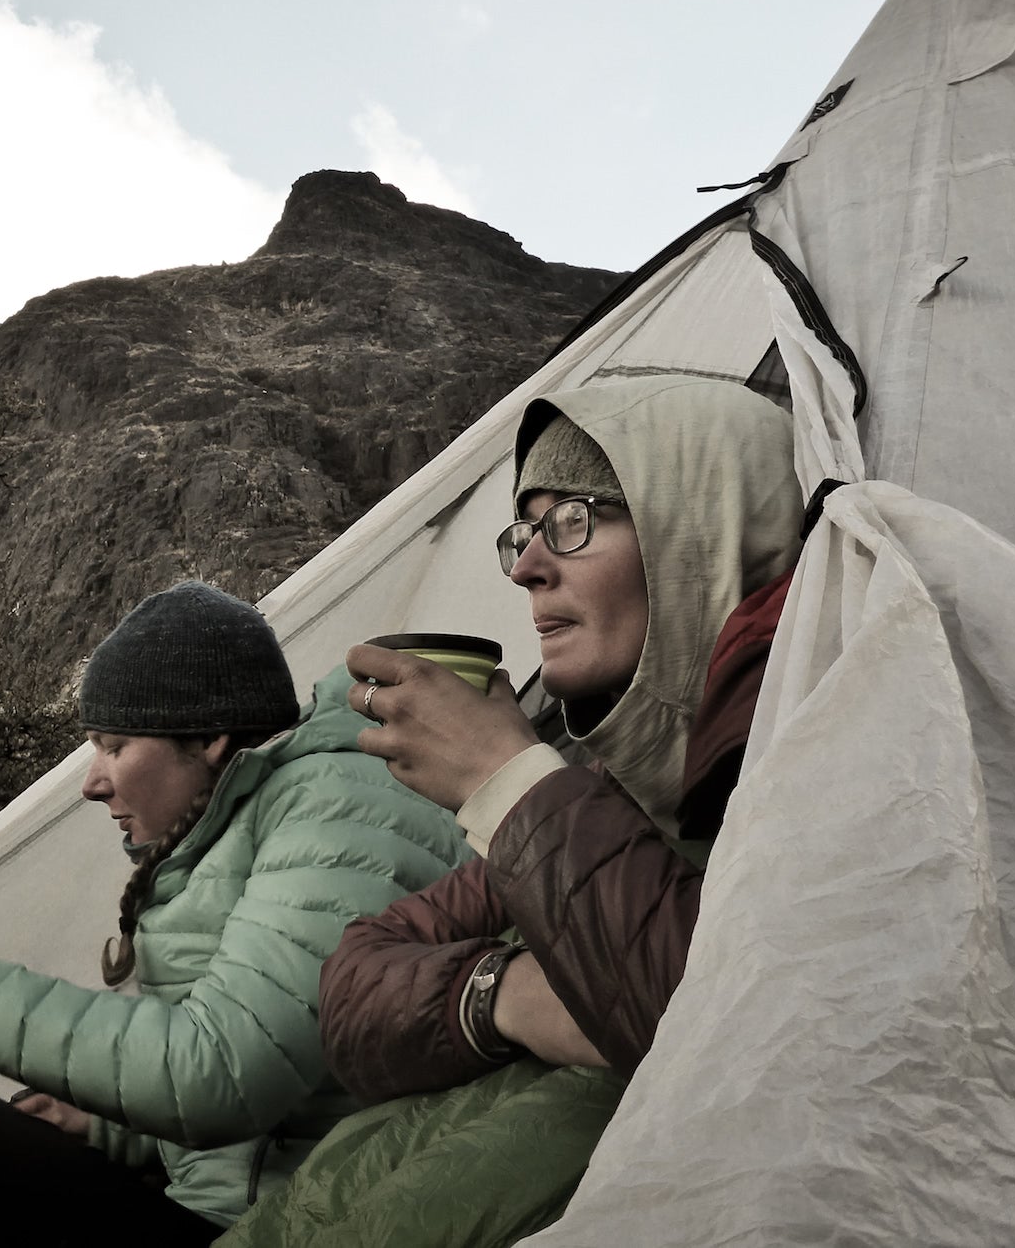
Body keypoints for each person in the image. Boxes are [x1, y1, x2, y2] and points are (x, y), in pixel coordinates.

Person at [0, 580, 470, 1248]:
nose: (92, 782)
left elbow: (227, 1073)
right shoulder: (248, 819)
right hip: (244, 1210)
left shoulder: (340, 812)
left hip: (302, 1229)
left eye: (114, 746)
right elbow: (293, 1077)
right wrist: (113, 1128)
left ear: (211, 739)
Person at [317, 373, 801, 1102]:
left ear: (697, 530)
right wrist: (506, 993)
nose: (527, 569)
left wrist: (504, 776)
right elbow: (353, 984)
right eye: (524, 534)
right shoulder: (616, 786)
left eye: (572, 520)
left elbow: (769, 1048)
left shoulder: (838, 747)